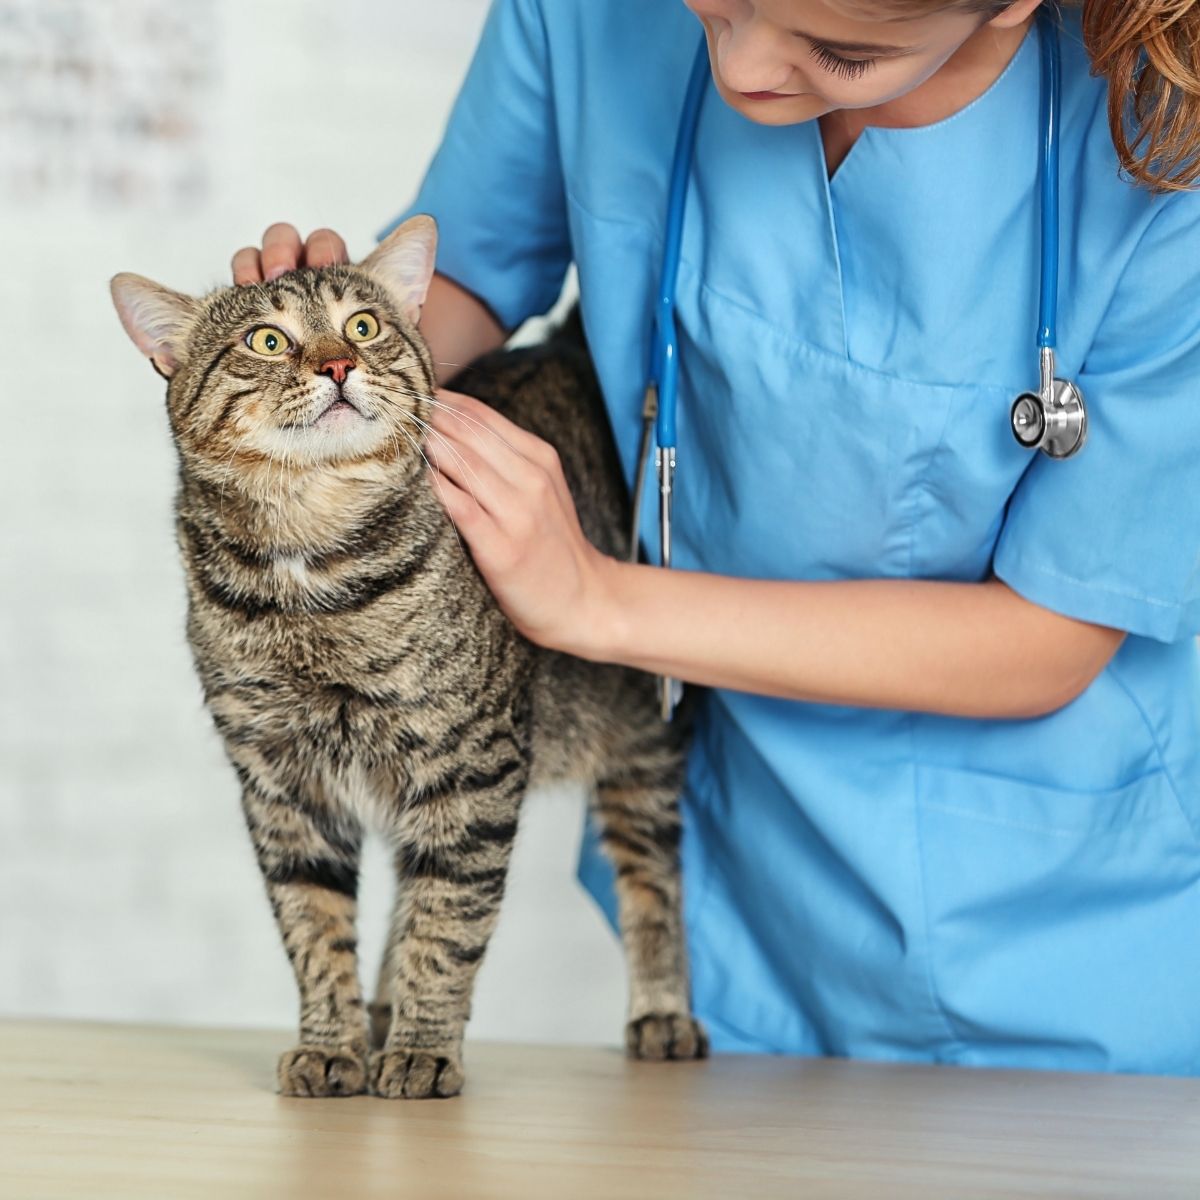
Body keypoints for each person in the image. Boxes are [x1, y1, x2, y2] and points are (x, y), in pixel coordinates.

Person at [231, 0, 1200, 1075]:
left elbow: (1052, 634)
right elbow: (467, 273)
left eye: (841, 50)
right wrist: (311, 354)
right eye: (715, 3)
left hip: (1074, 932)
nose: (741, 69)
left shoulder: (1167, 156)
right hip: (736, 888)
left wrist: (596, 600)